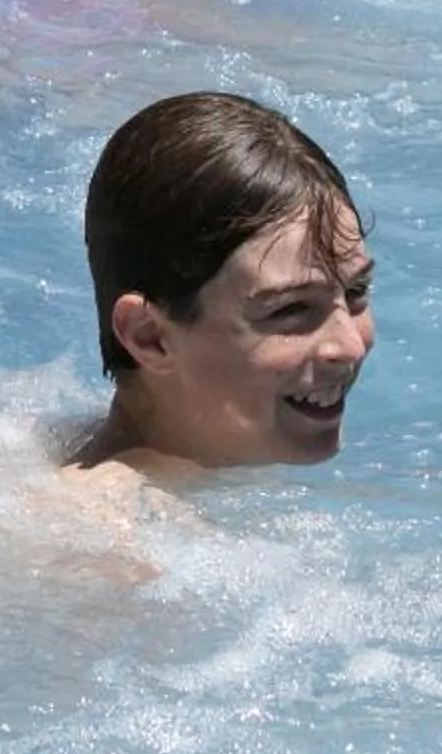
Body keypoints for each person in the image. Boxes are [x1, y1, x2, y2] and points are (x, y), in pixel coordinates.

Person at [65, 92, 374, 475]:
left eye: (356, 292)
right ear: (151, 337)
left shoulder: (225, 455)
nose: (350, 346)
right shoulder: (98, 530)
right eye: (291, 309)